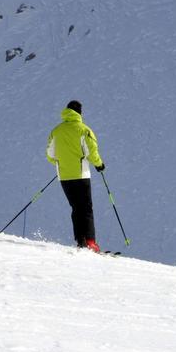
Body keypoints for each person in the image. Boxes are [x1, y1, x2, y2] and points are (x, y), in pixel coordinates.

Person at [45, 100, 104, 251]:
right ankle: (90, 242)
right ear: (80, 113)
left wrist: (63, 163)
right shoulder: (84, 130)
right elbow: (91, 152)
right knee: (86, 208)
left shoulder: (56, 131)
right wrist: (99, 164)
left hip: (64, 176)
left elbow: (50, 155)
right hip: (81, 175)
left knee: (76, 208)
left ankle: (80, 241)